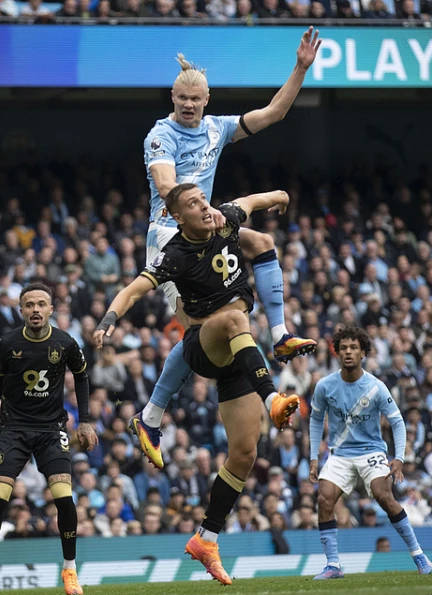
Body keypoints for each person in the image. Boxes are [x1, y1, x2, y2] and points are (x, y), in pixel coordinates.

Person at [132, 28, 322, 469]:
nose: (188, 105)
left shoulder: (217, 128)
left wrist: (300, 68)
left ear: (207, 100)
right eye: (182, 98)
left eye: (195, 99)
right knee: (197, 332)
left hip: (209, 227)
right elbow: (165, 184)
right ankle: (150, 416)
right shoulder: (160, 135)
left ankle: (281, 335)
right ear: (173, 97)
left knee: (263, 242)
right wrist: (205, 210)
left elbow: (273, 113)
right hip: (172, 238)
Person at [94, 185, 301, 585]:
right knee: (234, 319)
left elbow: (251, 202)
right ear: (177, 218)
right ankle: (273, 397)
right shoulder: (175, 255)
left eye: (204, 201)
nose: (205, 208)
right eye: (193, 205)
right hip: (203, 345)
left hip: (237, 353)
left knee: (244, 453)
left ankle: (207, 538)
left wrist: (279, 195)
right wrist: (108, 320)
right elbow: (134, 290)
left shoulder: (225, 219)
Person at [0, 282, 98, 595]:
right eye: (29, 305)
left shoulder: (65, 343)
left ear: (51, 309)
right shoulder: (8, 342)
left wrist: (85, 422)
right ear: (21, 311)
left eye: (41, 304)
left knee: (64, 498)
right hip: (14, 429)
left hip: (51, 430)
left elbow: (81, 376)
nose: (36, 310)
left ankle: (70, 570)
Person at [308, 326, 432, 579]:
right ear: (337, 352)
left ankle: (419, 555)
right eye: (343, 348)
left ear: (363, 353)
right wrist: (313, 457)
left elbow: (397, 422)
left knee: (383, 495)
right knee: (324, 498)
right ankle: (333, 565)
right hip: (340, 454)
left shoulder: (376, 387)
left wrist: (399, 458)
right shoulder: (324, 386)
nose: (348, 352)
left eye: (354, 348)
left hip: (371, 452)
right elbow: (315, 420)